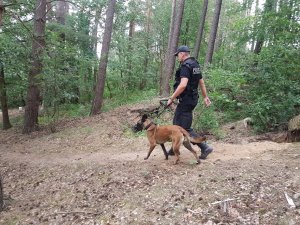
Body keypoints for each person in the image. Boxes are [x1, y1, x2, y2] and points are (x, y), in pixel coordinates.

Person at [166, 45, 213, 159]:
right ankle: (173, 148)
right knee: (177, 123)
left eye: (178, 55)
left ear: (182, 54)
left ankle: (204, 147)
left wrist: (171, 98)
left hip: (186, 100)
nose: (178, 58)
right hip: (192, 99)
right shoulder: (195, 65)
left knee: (184, 128)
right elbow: (201, 83)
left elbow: (182, 85)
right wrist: (205, 97)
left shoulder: (186, 67)